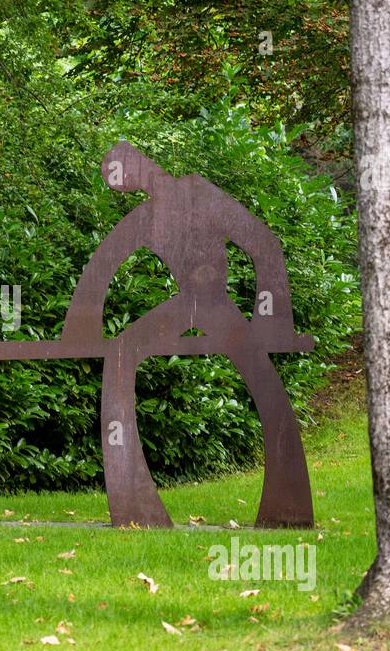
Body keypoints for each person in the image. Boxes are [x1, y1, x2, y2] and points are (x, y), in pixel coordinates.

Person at [61, 141, 312, 528]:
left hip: (214, 304)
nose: (125, 185)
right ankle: (138, 508)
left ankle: (285, 507)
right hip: (186, 305)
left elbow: (263, 243)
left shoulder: (197, 191)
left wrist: (271, 318)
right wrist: (80, 331)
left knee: (263, 385)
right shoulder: (145, 217)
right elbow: (102, 266)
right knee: (122, 352)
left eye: (125, 175)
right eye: (120, 182)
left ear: (140, 165)